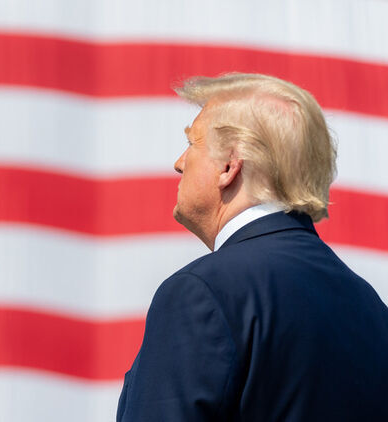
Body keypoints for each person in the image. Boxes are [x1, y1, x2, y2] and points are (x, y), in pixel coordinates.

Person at [116, 73, 388, 422]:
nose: (179, 162)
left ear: (229, 166)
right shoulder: (372, 309)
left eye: (192, 142)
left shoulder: (200, 294)